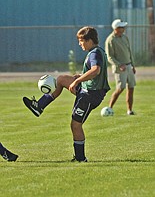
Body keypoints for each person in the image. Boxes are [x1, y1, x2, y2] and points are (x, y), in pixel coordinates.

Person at [23, 26, 110, 162]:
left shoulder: (94, 53)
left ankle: (81, 158)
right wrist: (80, 76)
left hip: (91, 95)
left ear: (89, 40)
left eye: (81, 40)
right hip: (88, 89)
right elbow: (95, 72)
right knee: (62, 79)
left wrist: (77, 81)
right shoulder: (97, 51)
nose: (79, 43)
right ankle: (39, 106)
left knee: (75, 125)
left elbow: (96, 70)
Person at [105, 19, 136, 115]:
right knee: (120, 88)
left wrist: (133, 65)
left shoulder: (125, 38)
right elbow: (110, 57)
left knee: (131, 87)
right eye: (122, 27)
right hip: (119, 68)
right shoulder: (110, 40)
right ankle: (109, 108)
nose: (124, 29)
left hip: (128, 66)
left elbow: (129, 52)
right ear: (116, 28)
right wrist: (119, 65)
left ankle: (129, 110)